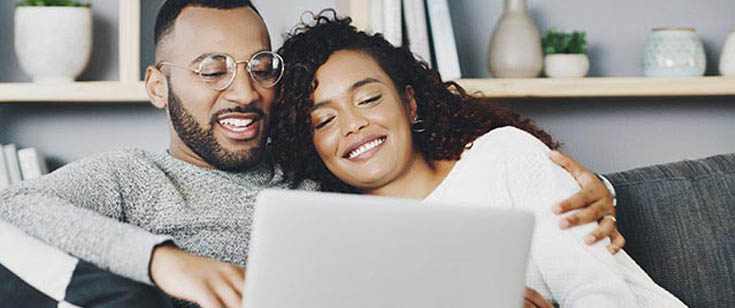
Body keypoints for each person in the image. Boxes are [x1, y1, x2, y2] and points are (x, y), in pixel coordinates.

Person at [1, 2, 619, 308]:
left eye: (258, 68)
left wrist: (596, 192)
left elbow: (432, 201)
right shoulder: (130, 179)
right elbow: (13, 205)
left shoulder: (320, 167)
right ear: (159, 85)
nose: (243, 91)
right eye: (211, 70)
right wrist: (166, 262)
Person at [269, 11, 687, 308]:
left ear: (410, 104)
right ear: (311, 145)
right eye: (323, 120)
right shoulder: (338, 240)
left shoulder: (504, 156)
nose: (352, 125)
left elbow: (599, 293)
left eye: (369, 98)